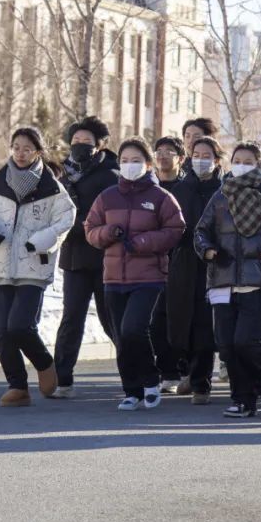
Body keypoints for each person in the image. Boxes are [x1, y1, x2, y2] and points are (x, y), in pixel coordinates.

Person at [0, 126, 76, 407]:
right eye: (16, 147)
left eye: (27, 148)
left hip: (32, 264)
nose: (20, 153)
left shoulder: (51, 187)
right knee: (0, 331)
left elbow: (67, 217)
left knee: (20, 326)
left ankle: (43, 362)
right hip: (1, 262)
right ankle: (17, 386)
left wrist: (43, 240)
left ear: (38, 152)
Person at [85, 138, 186, 411]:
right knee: (121, 336)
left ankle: (151, 379)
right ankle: (131, 390)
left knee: (133, 329)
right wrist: (107, 233)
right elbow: (91, 229)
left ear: (148, 164)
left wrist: (143, 242)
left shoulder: (161, 197)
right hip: (114, 277)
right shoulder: (107, 197)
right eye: (125, 161)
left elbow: (175, 229)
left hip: (149, 277)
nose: (130, 166)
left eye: (136, 161)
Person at [194, 142, 261, 418]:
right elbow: (201, 231)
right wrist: (207, 250)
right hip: (223, 280)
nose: (241, 165)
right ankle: (242, 400)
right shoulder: (220, 195)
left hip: (256, 281)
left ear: (260, 166)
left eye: (248, 161)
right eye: (237, 160)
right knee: (226, 345)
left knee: (247, 342)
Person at [51, 116, 120, 399]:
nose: (80, 146)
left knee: (111, 319)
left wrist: (76, 225)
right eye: (76, 141)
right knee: (72, 318)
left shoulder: (111, 175)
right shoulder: (64, 174)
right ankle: (61, 378)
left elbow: (108, 215)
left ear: (99, 145)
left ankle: (138, 372)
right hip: (75, 259)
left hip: (106, 259)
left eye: (86, 142)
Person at [165, 136, 225, 404]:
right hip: (183, 261)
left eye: (207, 155)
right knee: (181, 321)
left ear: (217, 159)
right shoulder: (180, 189)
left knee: (204, 323)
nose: (201, 159)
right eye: (196, 154)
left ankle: (202, 382)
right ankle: (189, 371)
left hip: (214, 262)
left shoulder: (224, 189)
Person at [152, 135, 188, 391]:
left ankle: (183, 369)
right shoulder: (149, 188)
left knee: (178, 316)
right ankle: (167, 371)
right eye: (159, 151)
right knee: (155, 318)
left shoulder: (186, 188)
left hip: (182, 259)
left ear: (181, 159)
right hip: (152, 260)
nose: (163, 156)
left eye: (169, 152)